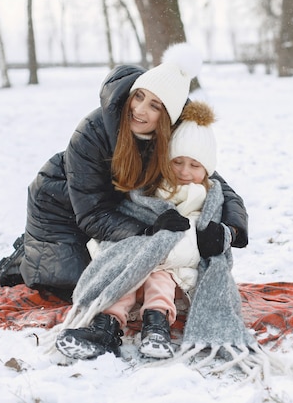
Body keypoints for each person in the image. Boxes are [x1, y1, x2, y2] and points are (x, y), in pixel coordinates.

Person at [0, 43, 248, 328]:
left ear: (168, 117)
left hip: (118, 208)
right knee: (77, 285)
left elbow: (215, 182)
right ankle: (25, 253)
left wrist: (231, 230)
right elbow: (91, 213)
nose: (139, 110)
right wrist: (147, 231)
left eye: (154, 106)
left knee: (134, 278)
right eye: (138, 96)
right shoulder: (92, 130)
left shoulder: (177, 128)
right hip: (62, 203)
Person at [55, 100, 224, 360]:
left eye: (194, 165)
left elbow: (205, 245)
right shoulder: (149, 189)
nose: (184, 172)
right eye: (177, 162)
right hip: (136, 265)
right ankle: (106, 327)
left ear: (207, 169)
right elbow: (124, 225)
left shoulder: (209, 200)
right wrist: (145, 246)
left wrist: (161, 250)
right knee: (129, 271)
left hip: (177, 277)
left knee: (159, 277)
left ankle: (156, 325)